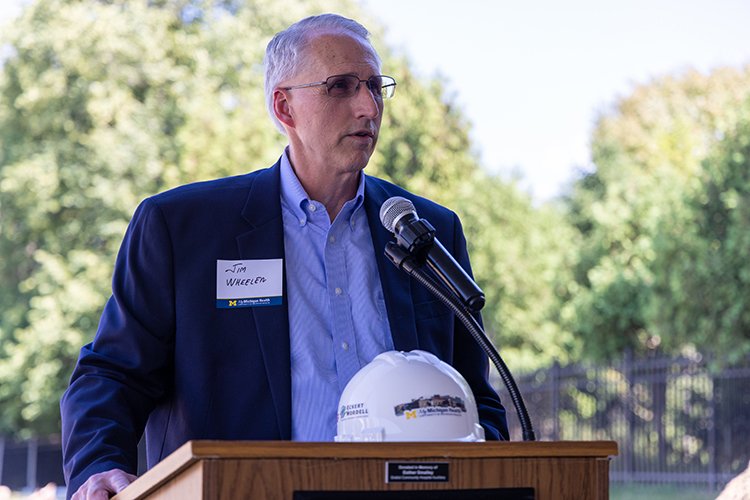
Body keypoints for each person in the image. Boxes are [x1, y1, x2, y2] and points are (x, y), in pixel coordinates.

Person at [60, 13, 509, 499]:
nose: (367, 107)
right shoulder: (182, 229)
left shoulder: (426, 228)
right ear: (284, 107)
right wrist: (98, 465)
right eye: (341, 87)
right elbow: (112, 373)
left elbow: (471, 388)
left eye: (375, 87)